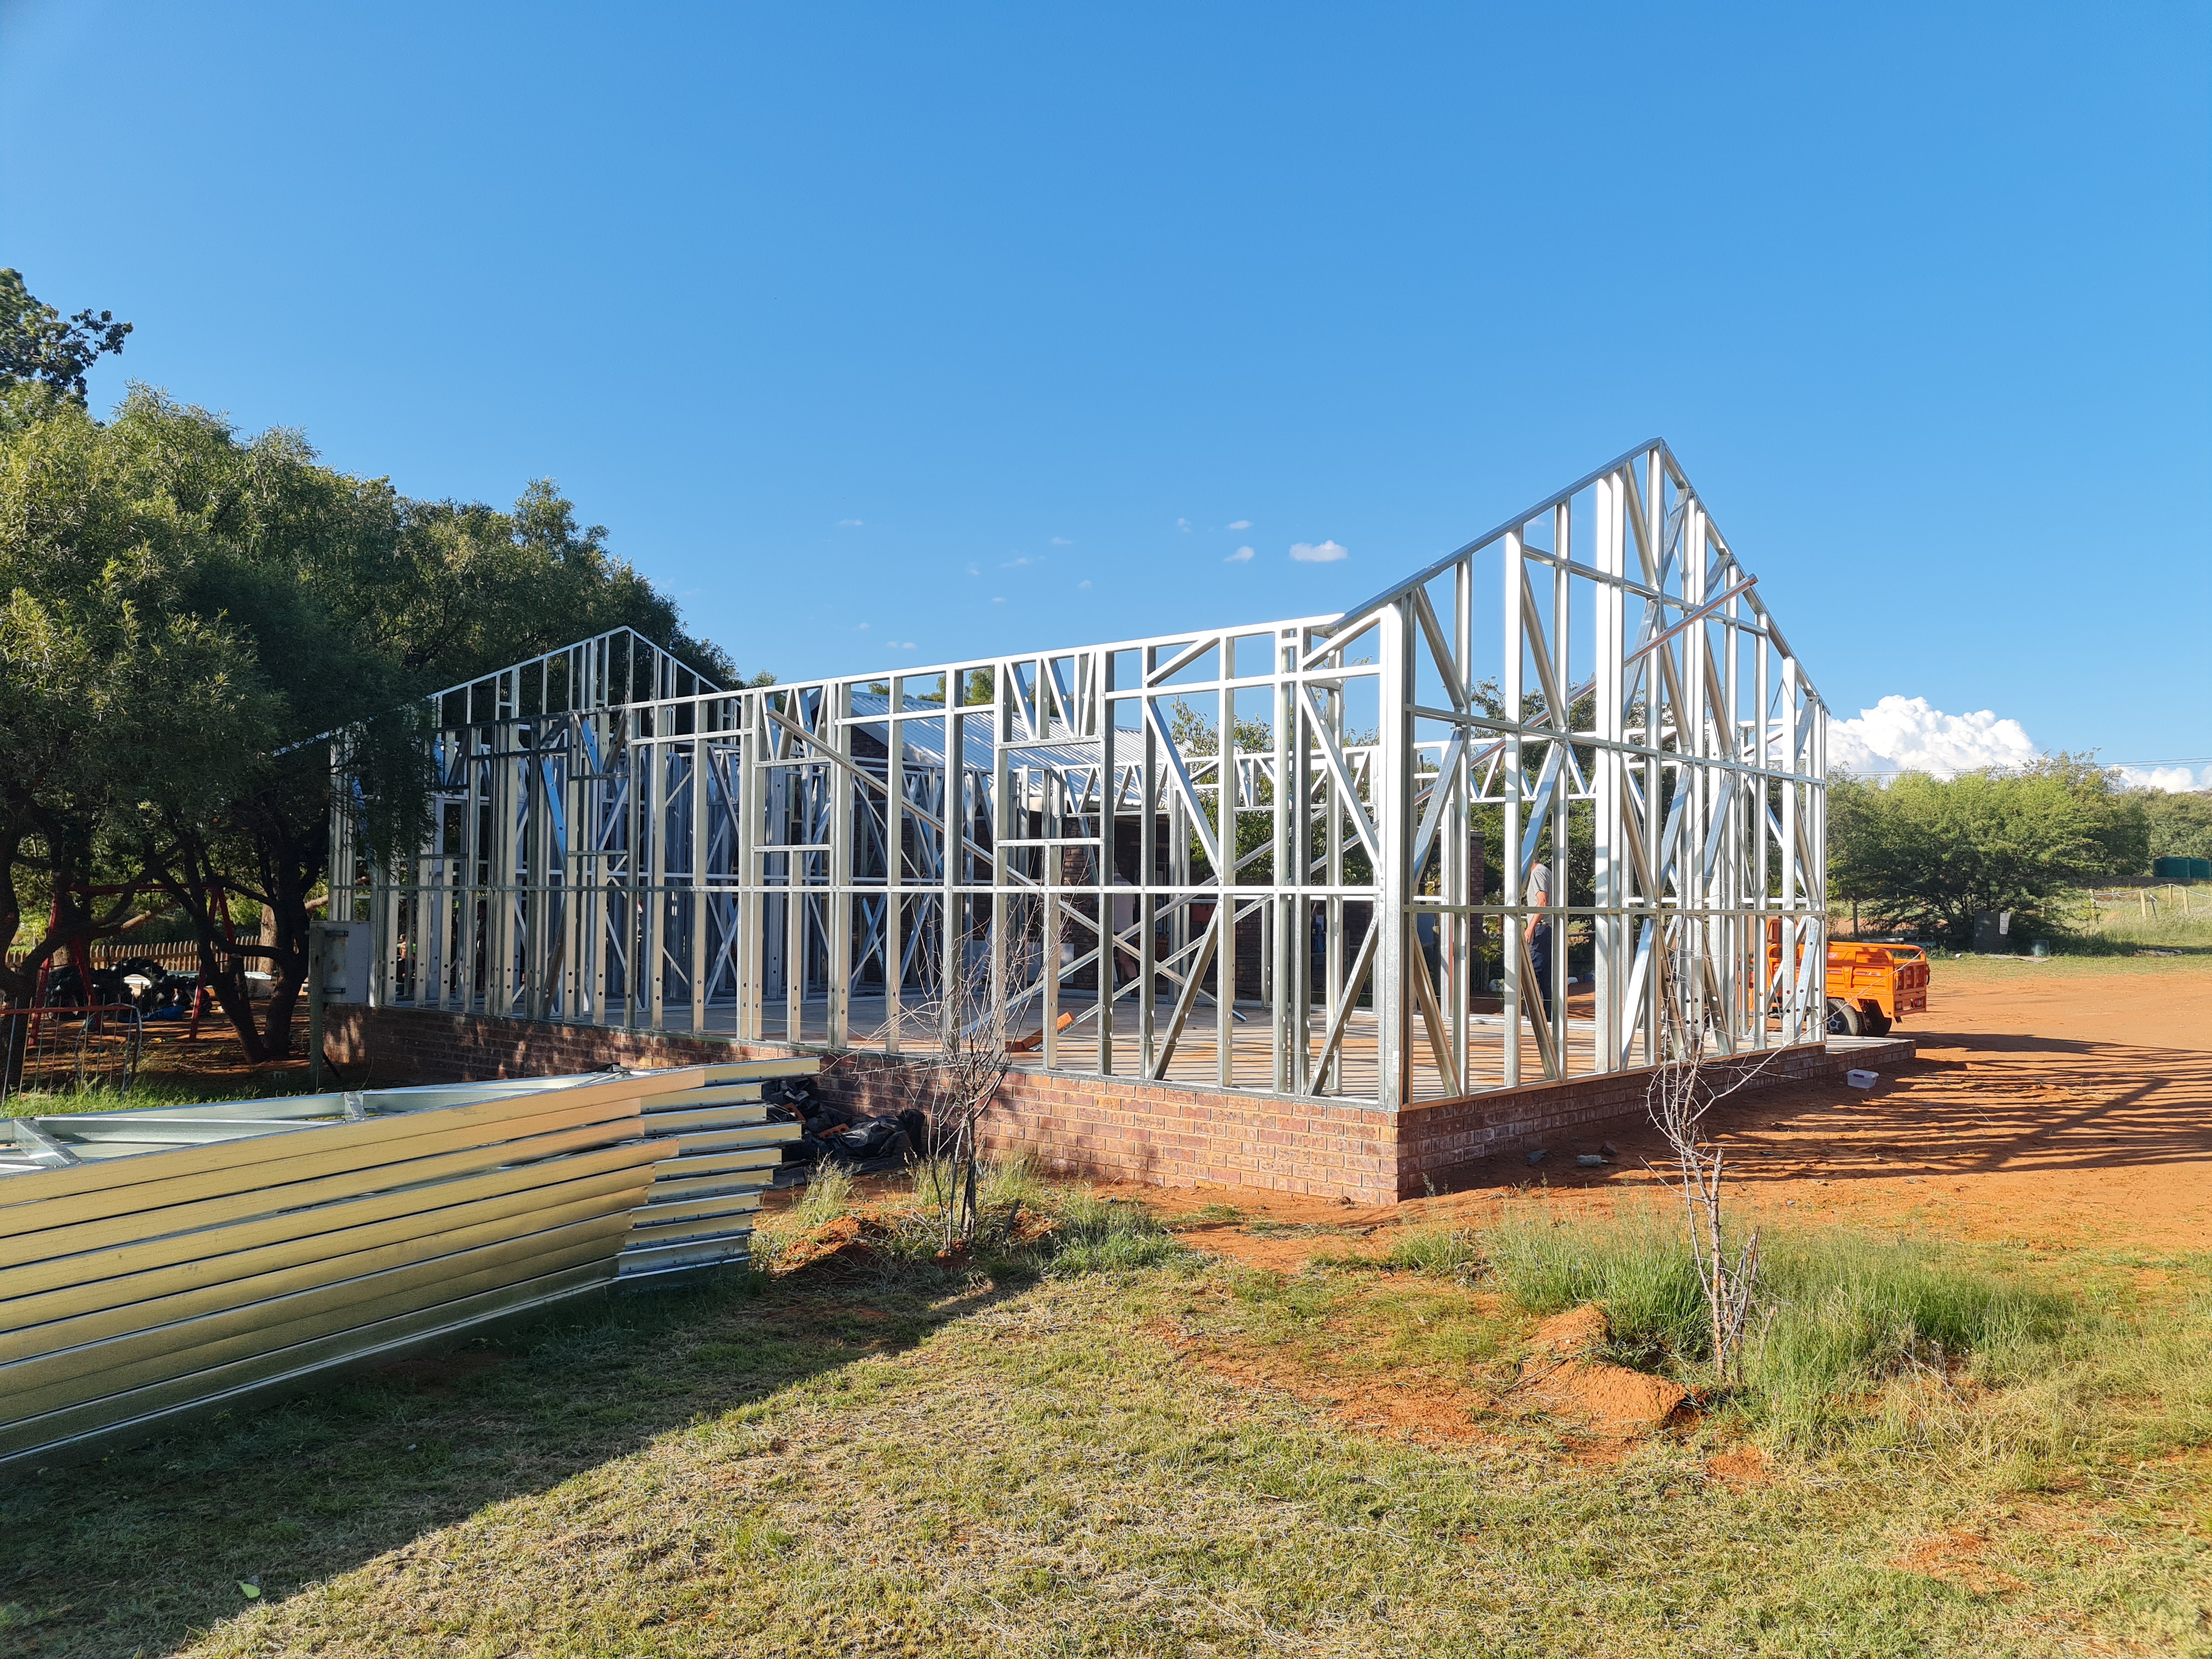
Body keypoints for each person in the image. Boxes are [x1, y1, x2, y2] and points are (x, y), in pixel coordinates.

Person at [1524, 860, 1554, 1020]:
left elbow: (1542, 902)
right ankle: (1546, 1016)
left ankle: (1535, 1016)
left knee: (1532, 972)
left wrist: (1531, 927)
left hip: (1541, 928)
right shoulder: (1546, 871)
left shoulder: (1537, 873)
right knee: (1545, 976)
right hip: (1547, 929)